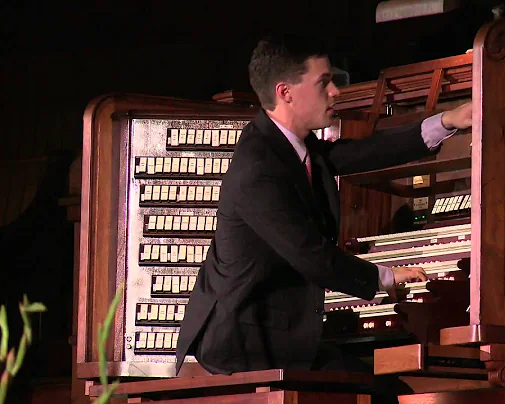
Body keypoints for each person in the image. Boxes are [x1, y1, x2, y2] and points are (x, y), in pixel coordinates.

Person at [175, 35, 472, 398]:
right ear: (285, 92)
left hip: (278, 328)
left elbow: (360, 153)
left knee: (379, 383)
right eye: (323, 83)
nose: (336, 91)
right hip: (246, 342)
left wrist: (446, 120)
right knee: (382, 393)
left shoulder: (288, 143)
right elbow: (312, 255)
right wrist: (387, 276)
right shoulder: (258, 167)